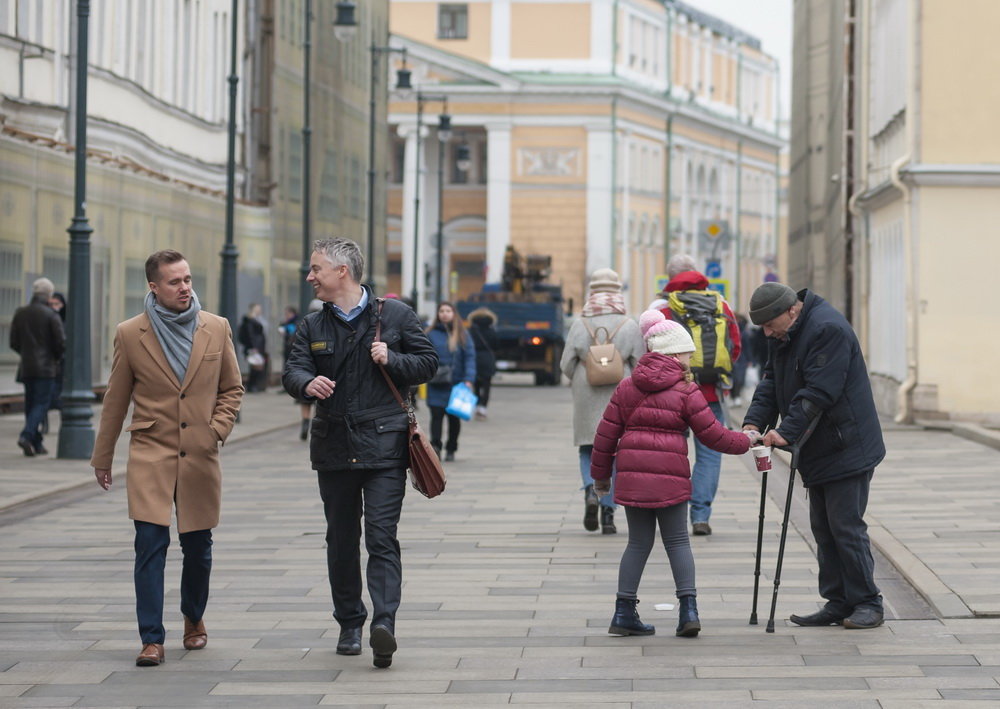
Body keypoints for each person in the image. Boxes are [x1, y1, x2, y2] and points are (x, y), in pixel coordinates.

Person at [282, 237, 437, 669]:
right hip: (333, 445)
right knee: (341, 539)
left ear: (341, 272)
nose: (310, 276)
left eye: (316, 269)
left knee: (382, 536)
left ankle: (383, 623)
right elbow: (293, 369)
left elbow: (428, 363)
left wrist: (393, 359)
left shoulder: (395, 316)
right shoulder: (313, 325)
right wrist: (305, 383)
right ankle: (350, 622)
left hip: (385, 445)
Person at [90, 249, 244, 666]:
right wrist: (102, 458)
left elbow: (233, 388)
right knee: (149, 544)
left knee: (198, 546)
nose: (184, 288)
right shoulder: (130, 332)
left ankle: (194, 618)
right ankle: (151, 638)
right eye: (175, 282)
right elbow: (116, 400)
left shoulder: (216, 327)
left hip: (200, 453)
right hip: (150, 452)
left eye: (188, 279)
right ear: (153, 287)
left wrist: (216, 430)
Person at [591, 310, 755, 638]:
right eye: (688, 353)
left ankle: (623, 613)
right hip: (671, 478)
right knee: (678, 541)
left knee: (637, 544)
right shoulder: (686, 390)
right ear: (676, 353)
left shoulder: (627, 386)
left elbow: (604, 436)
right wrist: (746, 441)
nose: (691, 358)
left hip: (634, 478)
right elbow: (713, 435)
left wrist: (601, 479)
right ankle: (688, 611)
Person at [742, 282, 887, 630]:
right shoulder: (783, 335)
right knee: (823, 528)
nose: (765, 332)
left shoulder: (827, 329)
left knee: (845, 526)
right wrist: (753, 421)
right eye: (761, 326)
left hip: (847, 444)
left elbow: (819, 392)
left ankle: (868, 602)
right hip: (818, 447)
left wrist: (784, 432)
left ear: (792, 309)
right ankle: (838, 601)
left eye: (769, 323)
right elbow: (771, 382)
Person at [655, 254, 742, 536]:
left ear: (670, 279)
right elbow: (735, 348)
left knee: (671, 454)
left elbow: (652, 350)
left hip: (672, 394)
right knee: (709, 456)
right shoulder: (721, 305)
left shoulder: (664, 310)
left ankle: (674, 514)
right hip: (710, 394)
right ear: (697, 274)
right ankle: (701, 516)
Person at [560, 268, 644, 534]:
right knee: (617, 451)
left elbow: (565, 364)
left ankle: (590, 491)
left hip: (586, 393)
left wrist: (582, 377)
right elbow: (640, 364)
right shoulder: (628, 324)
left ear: (592, 292)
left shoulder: (579, 323)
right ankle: (608, 512)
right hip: (621, 393)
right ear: (618, 291)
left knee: (588, 448)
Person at [10, 277, 65, 456]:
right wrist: (55, 358)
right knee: (42, 403)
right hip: (46, 368)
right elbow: (60, 343)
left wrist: (26, 354)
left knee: (31, 404)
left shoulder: (21, 312)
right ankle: (26, 436)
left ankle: (37, 443)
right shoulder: (51, 315)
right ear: (48, 294)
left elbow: (14, 342)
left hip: (26, 367)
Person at [424, 302, 475, 462]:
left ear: (454, 314)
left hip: (456, 383)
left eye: (448, 311)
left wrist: (468, 379)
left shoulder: (462, 334)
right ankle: (436, 446)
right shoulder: (430, 334)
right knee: (436, 416)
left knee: (454, 418)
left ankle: (451, 447)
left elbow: (470, 358)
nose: (445, 314)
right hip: (437, 382)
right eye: (441, 311)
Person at [466, 307, 498, 420]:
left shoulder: (471, 331)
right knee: (487, 385)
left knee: (476, 386)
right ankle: (483, 408)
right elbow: (495, 345)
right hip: (487, 359)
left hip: (474, 358)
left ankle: (477, 406)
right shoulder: (491, 330)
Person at [238, 303, 268, 392]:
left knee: (257, 366)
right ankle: (252, 385)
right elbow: (250, 335)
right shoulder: (250, 320)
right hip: (254, 347)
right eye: (257, 308)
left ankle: (253, 385)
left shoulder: (257, 319)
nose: (259, 310)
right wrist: (253, 346)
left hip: (258, 346)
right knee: (255, 366)